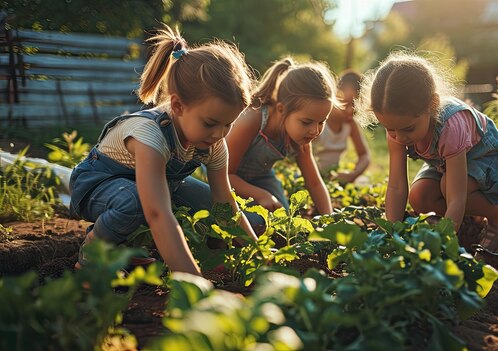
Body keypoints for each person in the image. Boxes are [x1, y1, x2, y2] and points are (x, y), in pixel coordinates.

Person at [69, 25, 257, 277]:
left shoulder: (213, 142)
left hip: (151, 186)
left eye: (228, 124)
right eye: (210, 123)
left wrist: (260, 258)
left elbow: (225, 203)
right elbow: (157, 214)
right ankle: (92, 258)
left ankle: (128, 247)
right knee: (134, 202)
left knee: (211, 204)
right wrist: (195, 283)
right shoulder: (150, 135)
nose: (219, 134)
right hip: (97, 186)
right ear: (178, 105)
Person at [357, 52, 498, 253]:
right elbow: (397, 186)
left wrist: (443, 245)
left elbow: (456, 198)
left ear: (432, 105)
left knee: (447, 187)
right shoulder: (398, 129)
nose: (399, 137)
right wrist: (391, 235)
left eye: (408, 129)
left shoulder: (451, 126)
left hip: (489, 156)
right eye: (390, 129)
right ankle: (472, 216)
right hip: (447, 161)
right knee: (419, 197)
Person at [226, 57, 336, 225]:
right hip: (224, 174)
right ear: (281, 109)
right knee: (253, 223)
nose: (315, 131)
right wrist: (261, 195)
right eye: (306, 122)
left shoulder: (303, 138)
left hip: (260, 177)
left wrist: (330, 221)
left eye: (321, 122)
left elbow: (314, 183)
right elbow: (226, 175)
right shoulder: (252, 120)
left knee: (283, 224)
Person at [314, 69, 370, 183]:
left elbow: (365, 156)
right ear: (334, 97)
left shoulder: (350, 124)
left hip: (333, 178)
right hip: (313, 176)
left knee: (363, 181)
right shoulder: (320, 121)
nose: (350, 110)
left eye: (355, 105)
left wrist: (352, 174)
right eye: (346, 103)